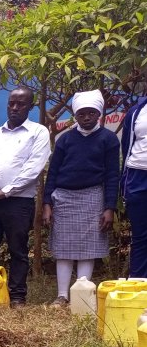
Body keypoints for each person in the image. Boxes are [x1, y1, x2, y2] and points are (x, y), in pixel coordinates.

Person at [0, 86, 51, 306]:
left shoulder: (38, 133)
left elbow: (34, 168)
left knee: (18, 250)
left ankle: (17, 296)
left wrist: (7, 191)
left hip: (18, 202)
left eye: (21, 103)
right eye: (11, 103)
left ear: (31, 106)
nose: (14, 108)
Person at [42, 90, 119, 305]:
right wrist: (47, 202)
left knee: (88, 249)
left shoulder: (108, 139)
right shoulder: (65, 139)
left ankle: (81, 295)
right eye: (82, 114)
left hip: (93, 196)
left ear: (99, 114)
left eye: (91, 113)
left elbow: (113, 175)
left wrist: (109, 207)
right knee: (64, 249)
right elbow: (53, 172)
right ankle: (62, 295)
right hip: (64, 198)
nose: (86, 117)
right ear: (75, 115)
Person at [122, 95, 147, 279]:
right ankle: (138, 287)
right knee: (140, 236)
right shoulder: (136, 111)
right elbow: (126, 146)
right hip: (138, 175)